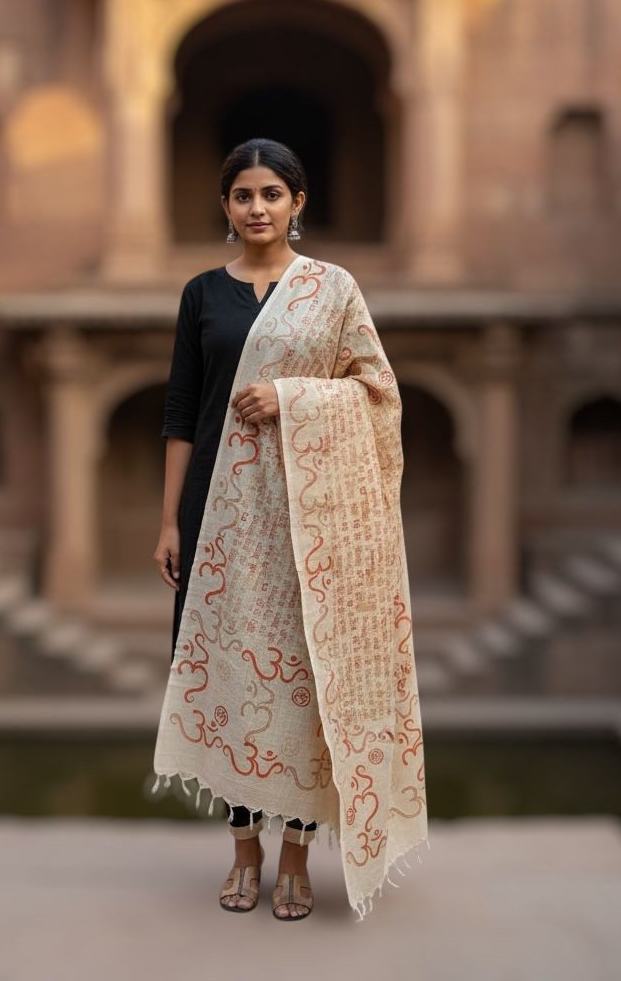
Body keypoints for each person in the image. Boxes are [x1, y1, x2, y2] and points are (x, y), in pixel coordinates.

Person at [151, 138, 428, 922]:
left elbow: (377, 395)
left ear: (298, 203)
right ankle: (244, 855)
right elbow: (180, 413)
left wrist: (294, 397)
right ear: (226, 205)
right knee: (238, 684)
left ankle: (298, 859)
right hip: (218, 520)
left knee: (306, 687)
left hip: (317, 524)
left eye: (273, 193)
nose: (258, 208)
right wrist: (170, 520)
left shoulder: (332, 290)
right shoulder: (203, 293)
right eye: (243, 195)